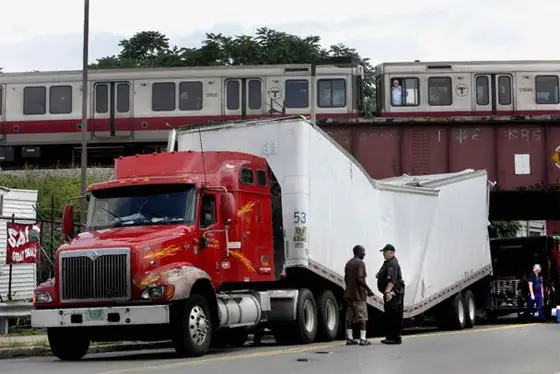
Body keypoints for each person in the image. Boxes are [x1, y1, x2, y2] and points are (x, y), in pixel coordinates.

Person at [344, 244, 374, 346]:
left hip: (348, 295)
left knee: (349, 318)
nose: (364, 254)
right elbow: (360, 278)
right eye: (363, 251)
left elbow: (346, 278)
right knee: (362, 317)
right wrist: (368, 290)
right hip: (358, 295)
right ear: (358, 252)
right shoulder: (360, 263)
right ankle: (363, 339)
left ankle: (350, 338)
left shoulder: (348, 263)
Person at [376, 244, 405, 345]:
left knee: (393, 314)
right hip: (392, 293)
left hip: (393, 293)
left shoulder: (392, 263)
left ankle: (394, 337)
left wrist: (387, 292)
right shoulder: (388, 262)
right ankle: (391, 337)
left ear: (392, 252)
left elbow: (391, 280)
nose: (383, 254)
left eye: (385, 252)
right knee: (390, 314)